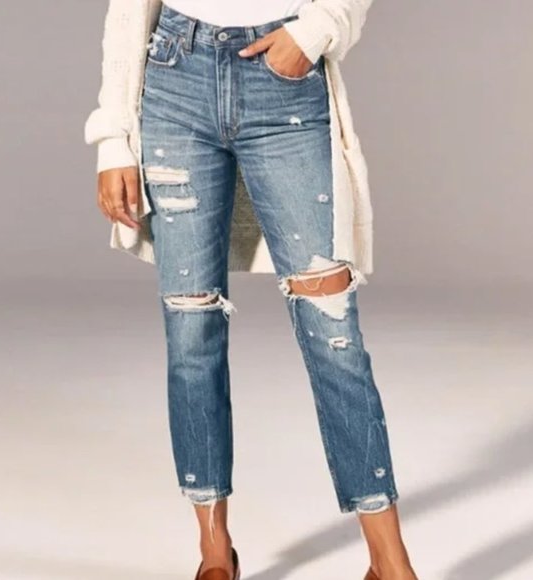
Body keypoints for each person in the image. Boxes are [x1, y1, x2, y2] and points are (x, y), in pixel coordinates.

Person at [85, 1, 418, 579]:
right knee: (191, 332)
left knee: (332, 331)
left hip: (282, 83)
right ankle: (215, 552)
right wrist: (113, 137)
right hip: (174, 79)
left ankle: (390, 562)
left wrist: (316, 30)